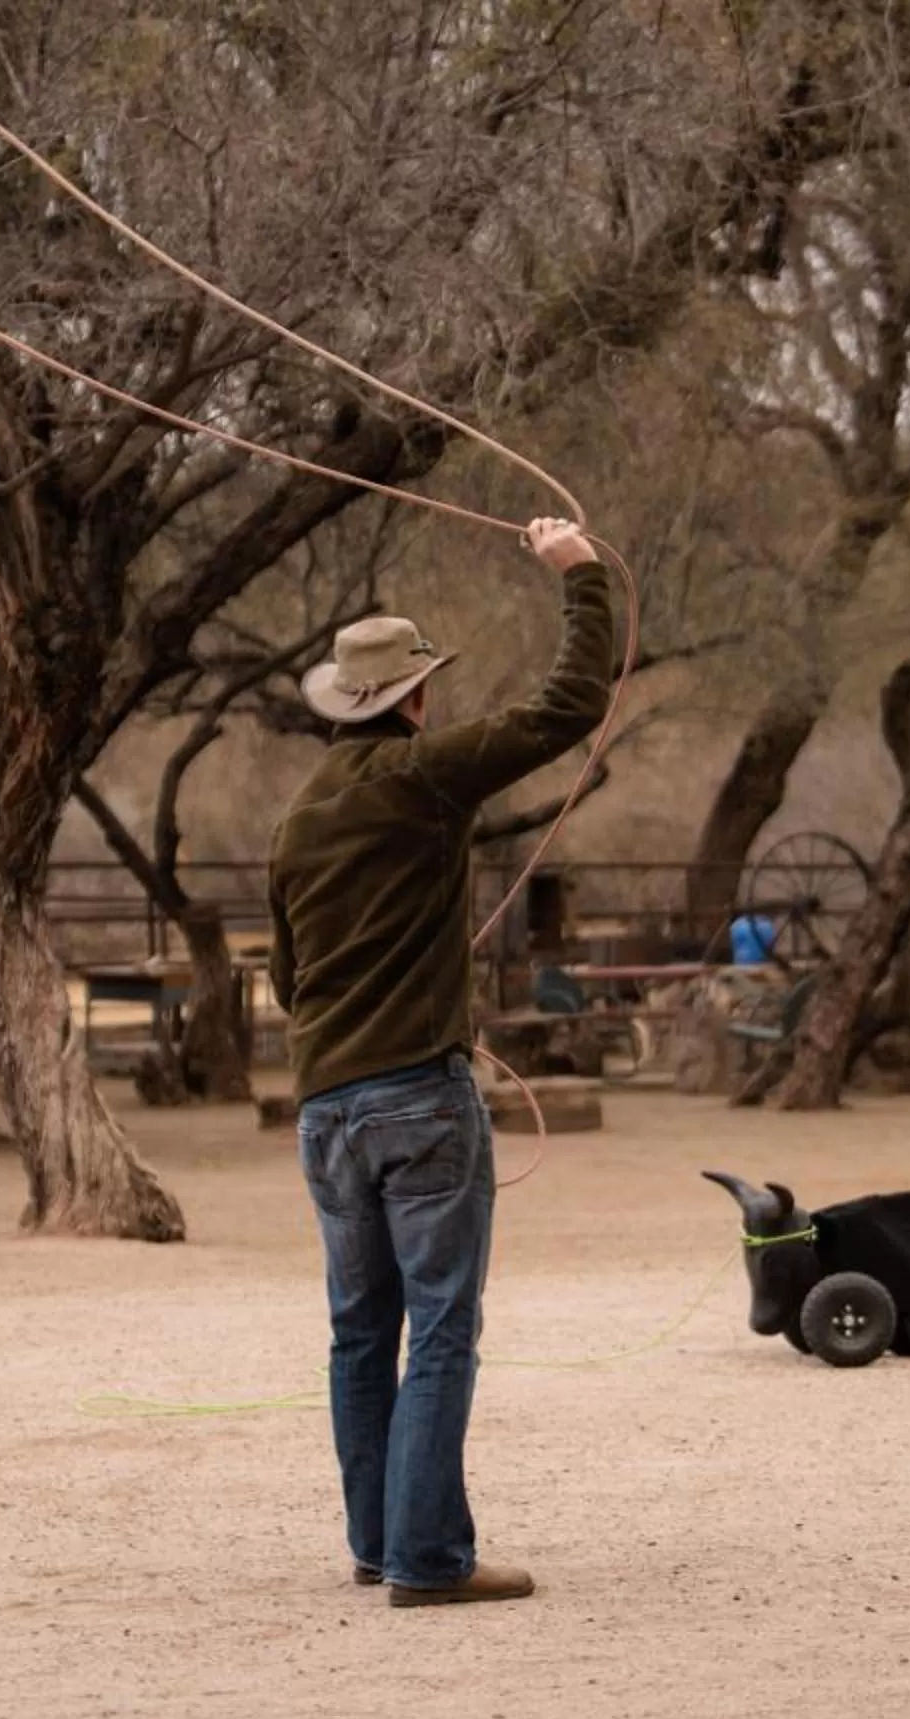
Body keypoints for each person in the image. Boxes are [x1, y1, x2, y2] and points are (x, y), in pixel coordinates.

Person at [268, 515, 615, 1608]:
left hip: (326, 1110)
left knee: (360, 1329)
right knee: (443, 1321)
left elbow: (288, 979)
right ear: (413, 697)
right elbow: (569, 707)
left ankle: (378, 1544)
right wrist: (584, 578)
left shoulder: (295, 823)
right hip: (419, 1092)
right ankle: (428, 1559)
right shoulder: (423, 775)